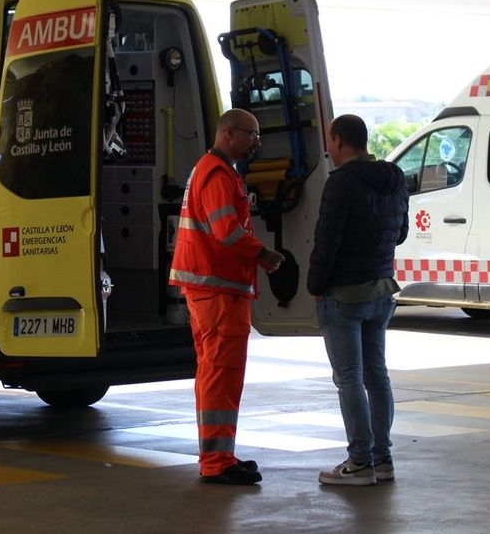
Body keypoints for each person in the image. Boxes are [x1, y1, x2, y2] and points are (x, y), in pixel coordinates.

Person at [169, 108, 285, 486]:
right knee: (222, 375)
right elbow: (227, 232)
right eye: (251, 135)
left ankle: (217, 455)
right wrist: (264, 255)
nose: (256, 143)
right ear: (228, 133)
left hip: (210, 290)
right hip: (218, 291)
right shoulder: (218, 174)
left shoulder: (208, 169)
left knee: (212, 374)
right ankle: (217, 461)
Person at [308, 114, 410, 486]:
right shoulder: (395, 178)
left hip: (344, 295)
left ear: (339, 140)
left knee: (349, 379)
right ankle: (382, 460)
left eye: (329, 142)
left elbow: (327, 241)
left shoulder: (341, 183)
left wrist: (315, 285)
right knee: (377, 377)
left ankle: (359, 463)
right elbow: (399, 234)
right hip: (382, 290)